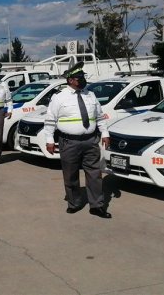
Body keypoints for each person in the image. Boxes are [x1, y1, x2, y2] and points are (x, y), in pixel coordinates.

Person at [43, 62, 111, 219]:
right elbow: (50, 120)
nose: (82, 80)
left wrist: (105, 133)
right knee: (70, 174)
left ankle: (97, 205)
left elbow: (99, 116)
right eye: (78, 77)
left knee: (94, 174)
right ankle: (74, 203)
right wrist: (49, 140)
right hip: (69, 142)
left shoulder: (90, 95)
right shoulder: (59, 98)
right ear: (70, 80)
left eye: (83, 77)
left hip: (91, 140)